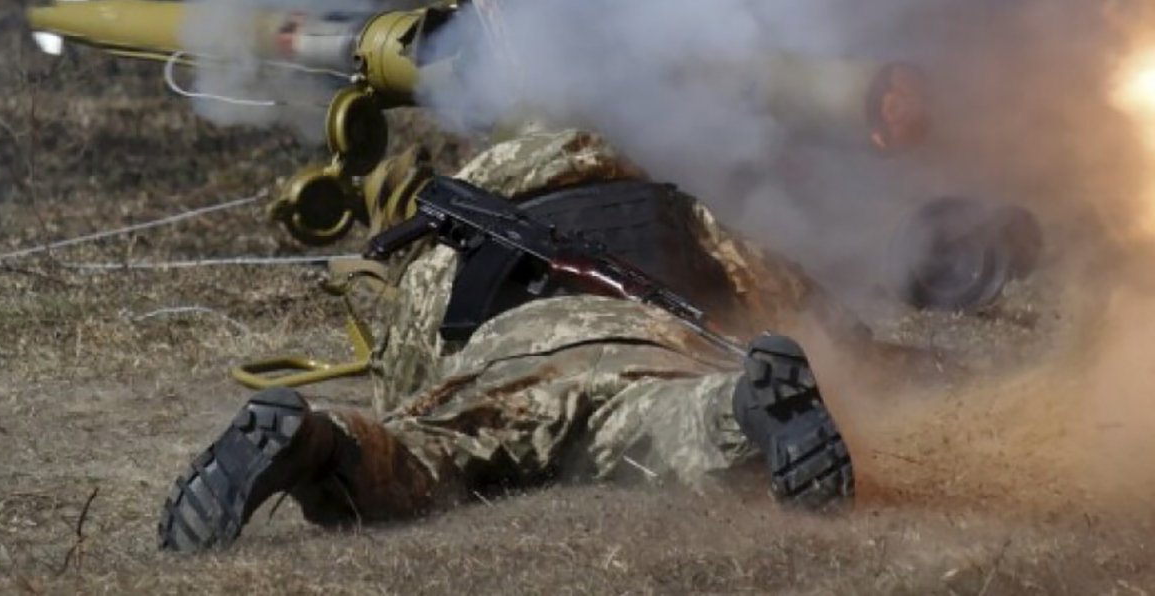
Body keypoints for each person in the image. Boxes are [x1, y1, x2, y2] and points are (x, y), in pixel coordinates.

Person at [157, 128, 856, 553]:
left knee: (419, 454)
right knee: (684, 426)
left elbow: (412, 358)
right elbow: (780, 293)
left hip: (501, 361)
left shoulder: (453, 233)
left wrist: (404, 415)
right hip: (647, 350)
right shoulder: (672, 207)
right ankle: (745, 409)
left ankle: (312, 442)